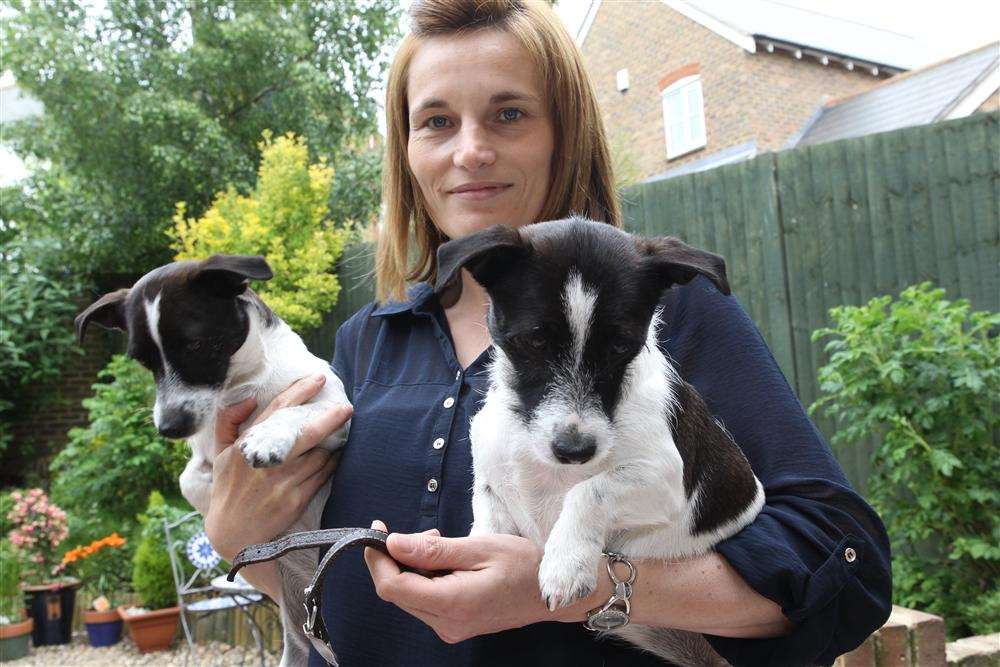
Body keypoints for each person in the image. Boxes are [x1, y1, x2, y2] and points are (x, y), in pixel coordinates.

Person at [204, 1, 892, 665]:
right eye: (437, 121)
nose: (471, 151)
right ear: (407, 148)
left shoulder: (662, 317)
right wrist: (239, 537)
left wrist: (588, 587)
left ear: (564, 131)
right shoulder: (370, 340)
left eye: (508, 114)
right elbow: (323, 589)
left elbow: (845, 569)